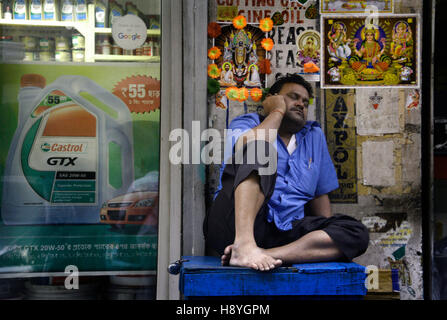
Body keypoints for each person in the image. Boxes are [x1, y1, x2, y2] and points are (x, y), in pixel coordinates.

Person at [203, 74, 369, 271]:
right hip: (235, 223)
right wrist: (277, 111)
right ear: (273, 98)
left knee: (356, 233)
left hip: (286, 233)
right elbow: (245, 146)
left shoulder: (314, 136)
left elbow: (320, 196)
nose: (301, 104)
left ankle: (262, 254)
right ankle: (244, 245)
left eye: (305, 102)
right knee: (260, 148)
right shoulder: (247, 123)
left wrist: (325, 231)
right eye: (293, 97)